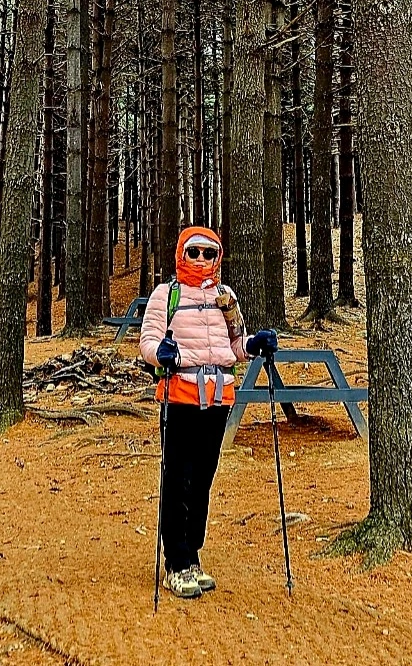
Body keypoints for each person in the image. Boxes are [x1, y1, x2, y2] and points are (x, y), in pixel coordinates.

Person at [139, 225, 278, 599]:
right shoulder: (165, 295)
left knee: (202, 479)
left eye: (209, 253)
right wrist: (161, 354)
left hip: (219, 399)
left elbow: (235, 344)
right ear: (181, 254)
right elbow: (148, 341)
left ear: (218, 257)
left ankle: (193, 555)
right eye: (194, 252)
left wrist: (255, 344)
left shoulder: (225, 296)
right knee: (177, 478)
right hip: (179, 396)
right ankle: (176, 562)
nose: (201, 259)